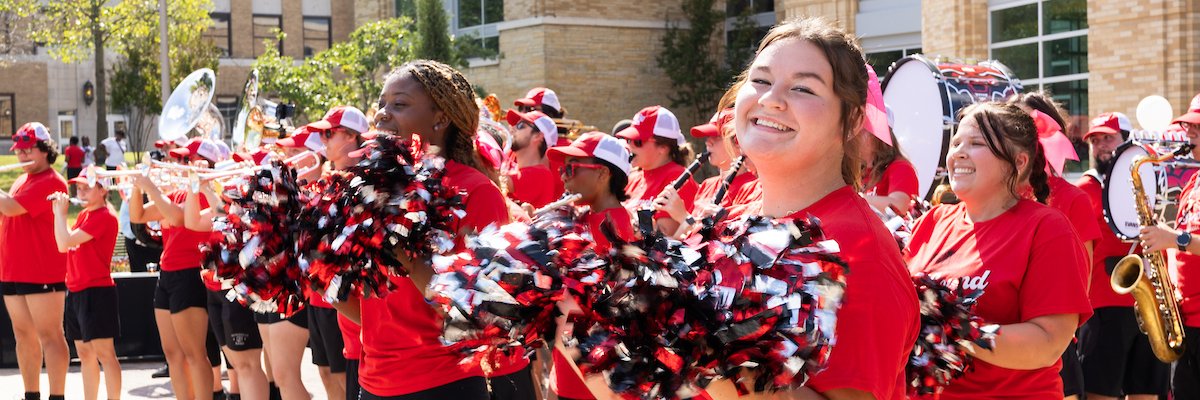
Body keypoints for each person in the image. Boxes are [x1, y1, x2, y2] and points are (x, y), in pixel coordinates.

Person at [704, 17, 919, 400]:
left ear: (852, 121)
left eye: (803, 87)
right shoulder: (733, 221)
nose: (771, 99)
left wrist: (712, 357)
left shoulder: (859, 252)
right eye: (761, 80)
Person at [332, 59, 534, 400]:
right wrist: (318, 271)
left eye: (399, 104)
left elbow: (481, 316)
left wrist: (408, 257)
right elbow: (373, 315)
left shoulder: (475, 191)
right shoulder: (374, 188)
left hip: (443, 384)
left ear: (440, 118)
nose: (381, 114)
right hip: (374, 384)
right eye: (381, 104)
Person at [904, 102, 1092, 399]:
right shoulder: (932, 221)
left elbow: (1048, 343)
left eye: (976, 143)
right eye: (956, 143)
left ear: (1018, 162)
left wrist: (957, 330)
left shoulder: (1048, 229)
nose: (959, 153)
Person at [1007, 92, 1103, 400]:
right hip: (1000, 349)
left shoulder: (1072, 198)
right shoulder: (996, 197)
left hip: (1051, 348)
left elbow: (1082, 280)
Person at [1074, 111, 1169, 400]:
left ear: (1127, 141)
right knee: (1099, 393)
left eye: (1108, 138)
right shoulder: (1082, 190)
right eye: (1095, 140)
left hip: (1147, 307)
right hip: (1102, 308)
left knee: (1147, 393)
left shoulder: (1148, 184)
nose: (1101, 145)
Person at [130, 138, 228, 400]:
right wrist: (136, 187)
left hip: (189, 273)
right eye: (178, 159)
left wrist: (150, 186)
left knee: (194, 353)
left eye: (184, 160)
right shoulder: (174, 193)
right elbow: (138, 216)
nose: (176, 164)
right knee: (173, 354)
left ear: (202, 165)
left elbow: (176, 217)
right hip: (168, 274)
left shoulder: (206, 194)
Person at [544, 131, 638, 400]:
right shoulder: (582, 216)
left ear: (603, 173)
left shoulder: (617, 228)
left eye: (572, 168)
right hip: (566, 367)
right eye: (563, 169)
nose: (563, 176)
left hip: (591, 380)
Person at [1136, 92, 1200, 399]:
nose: (1189, 133)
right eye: (1189, 126)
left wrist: (1175, 240)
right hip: (1184, 318)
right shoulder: (1193, 182)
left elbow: (1183, 240)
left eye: (1198, 128)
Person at [0, 122, 70, 400]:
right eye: (19, 151)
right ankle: (31, 394)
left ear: (45, 150)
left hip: (41, 269)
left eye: (29, 150)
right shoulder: (22, 180)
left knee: (50, 334)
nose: (22, 156)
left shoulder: (52, 181)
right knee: (22, 334)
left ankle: (57, 396)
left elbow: (11, 207)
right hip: (13, 268)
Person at [49, 168, 122, 400]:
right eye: (78, 187)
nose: (80, 191)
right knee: (84, 353)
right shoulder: (85, 215)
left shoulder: (105, 216)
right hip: (77, 289)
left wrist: (60, 214)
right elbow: (63, 245)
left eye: (86, 187)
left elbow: (66, 240)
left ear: (103, 190)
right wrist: (57, 215)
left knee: (105, 353)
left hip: (96, 291)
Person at [616, 105, 698, 235]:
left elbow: (664, 238)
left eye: (637, 141)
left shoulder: (677, 178)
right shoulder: (633, 177)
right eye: (628, 139)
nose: (630, 145)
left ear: (663, 148)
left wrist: (622, 215)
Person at [506, 108, 565, 208]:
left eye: (520, 126)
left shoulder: (542, 175)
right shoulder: (511, 164)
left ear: (537, 136)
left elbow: (496, 181)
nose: (512, 128)